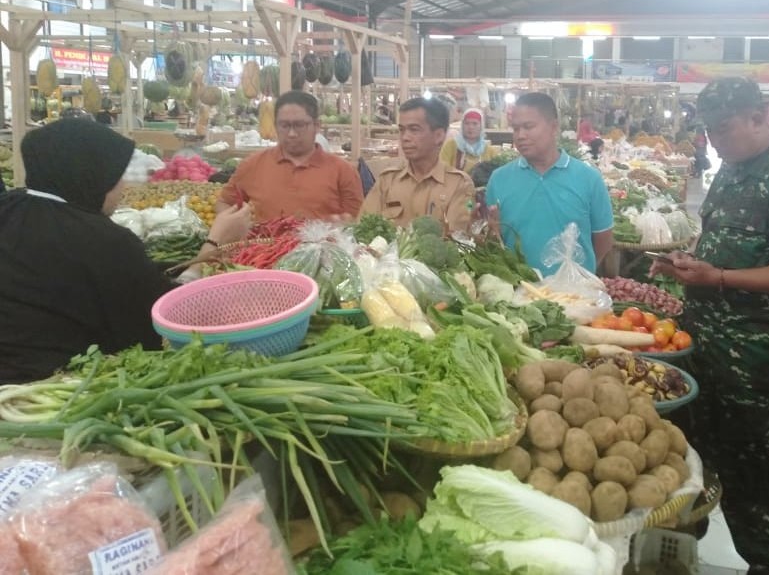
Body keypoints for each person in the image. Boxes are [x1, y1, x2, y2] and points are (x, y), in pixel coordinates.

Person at [649, 77, 769, 574]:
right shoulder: (728, 172)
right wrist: (687, 263)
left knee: (756, 473)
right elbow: (721, 243)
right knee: (701, 460)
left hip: (756, 358)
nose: (716, 140)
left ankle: (767, 563)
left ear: (760, 116)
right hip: (704, 344)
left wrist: (721, 277)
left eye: (723, 128)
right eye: (708, 131)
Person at [0, 119, 251, 384]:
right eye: (117, 176)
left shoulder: (9, 208)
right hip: (54, 390)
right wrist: (213, 245)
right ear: (93, 175)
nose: (123, 187)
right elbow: (163, 323)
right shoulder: (103, 241)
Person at [485, 92, 613, 277]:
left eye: (528, 127)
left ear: (553, 127)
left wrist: (579, 273)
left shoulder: (589, 179)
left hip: (576, 298)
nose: (520, 135)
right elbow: (496, 237)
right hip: (518, 295)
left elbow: (603, 240)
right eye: (515, 128)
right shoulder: (499, 179)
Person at [217, 90, 363, 222]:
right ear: (275, 125)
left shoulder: (343, 171)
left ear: (317, 125)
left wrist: (342, 226)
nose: (292, 133)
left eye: (299, 125)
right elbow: (224, 202)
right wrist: (238, 227)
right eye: (284, 125)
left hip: (323, 250)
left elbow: (357, 219)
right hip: (266, 250)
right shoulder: (253, 165)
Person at [361, 96, 474, 233]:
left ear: (438, 136)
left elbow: (455, 240)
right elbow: (363, 229)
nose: (405, 137)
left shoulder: (458, 184)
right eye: (402, 130)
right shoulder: (387, 181)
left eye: (414, 130)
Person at [440, 108, 496, 173]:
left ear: (481, 127)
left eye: (475, 124)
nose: (470, 127)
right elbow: (442, 169)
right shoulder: (451, 145)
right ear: (462, 126)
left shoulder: (489, 150)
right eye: (467, 123)